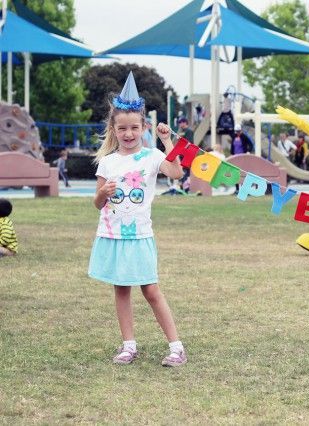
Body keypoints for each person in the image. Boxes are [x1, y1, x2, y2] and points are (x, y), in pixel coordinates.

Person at [88, 71, 187, 367]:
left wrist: (168, 141)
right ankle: (129, 345)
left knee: (151, 290)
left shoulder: (152, 156)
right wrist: (103, 192)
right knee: (121, 289)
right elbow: (96, 203)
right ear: (114, 129)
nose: (128, 134)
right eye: (122, 129)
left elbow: (177, 173)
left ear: (144, 127)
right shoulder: (107, 162)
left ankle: (176, 347)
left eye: (134, 128)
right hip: (113, 235)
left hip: (140, 235)